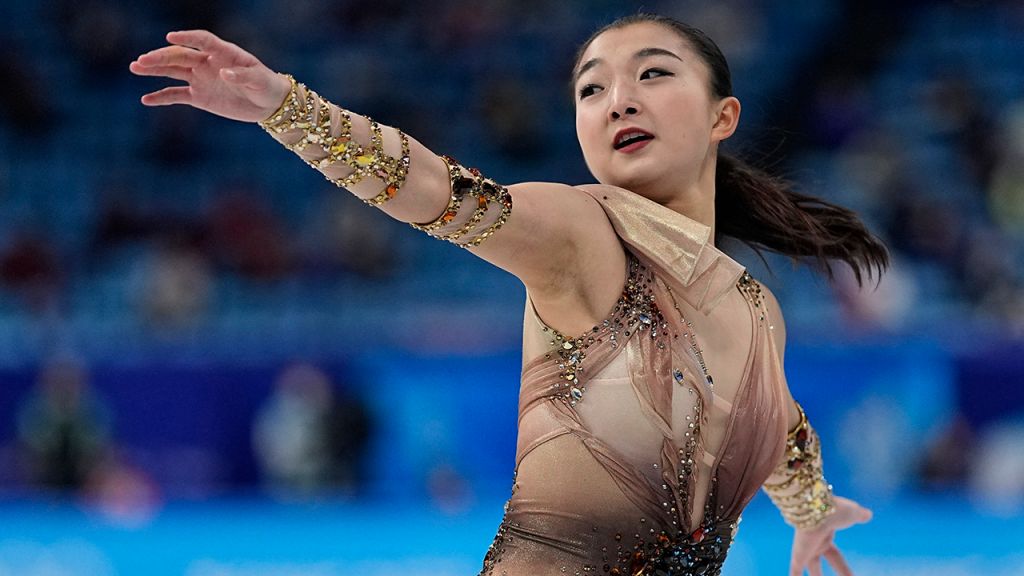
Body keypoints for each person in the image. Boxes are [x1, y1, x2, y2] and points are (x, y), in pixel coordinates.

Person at [129, 13, 886, 575]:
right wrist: (283, 107)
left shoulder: (755, 306)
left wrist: (812, 512)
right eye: (593, 89)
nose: (618, 99)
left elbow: (777, 421)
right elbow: (432, 187)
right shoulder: (580, 229)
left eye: (652, 74)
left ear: (724, 115)